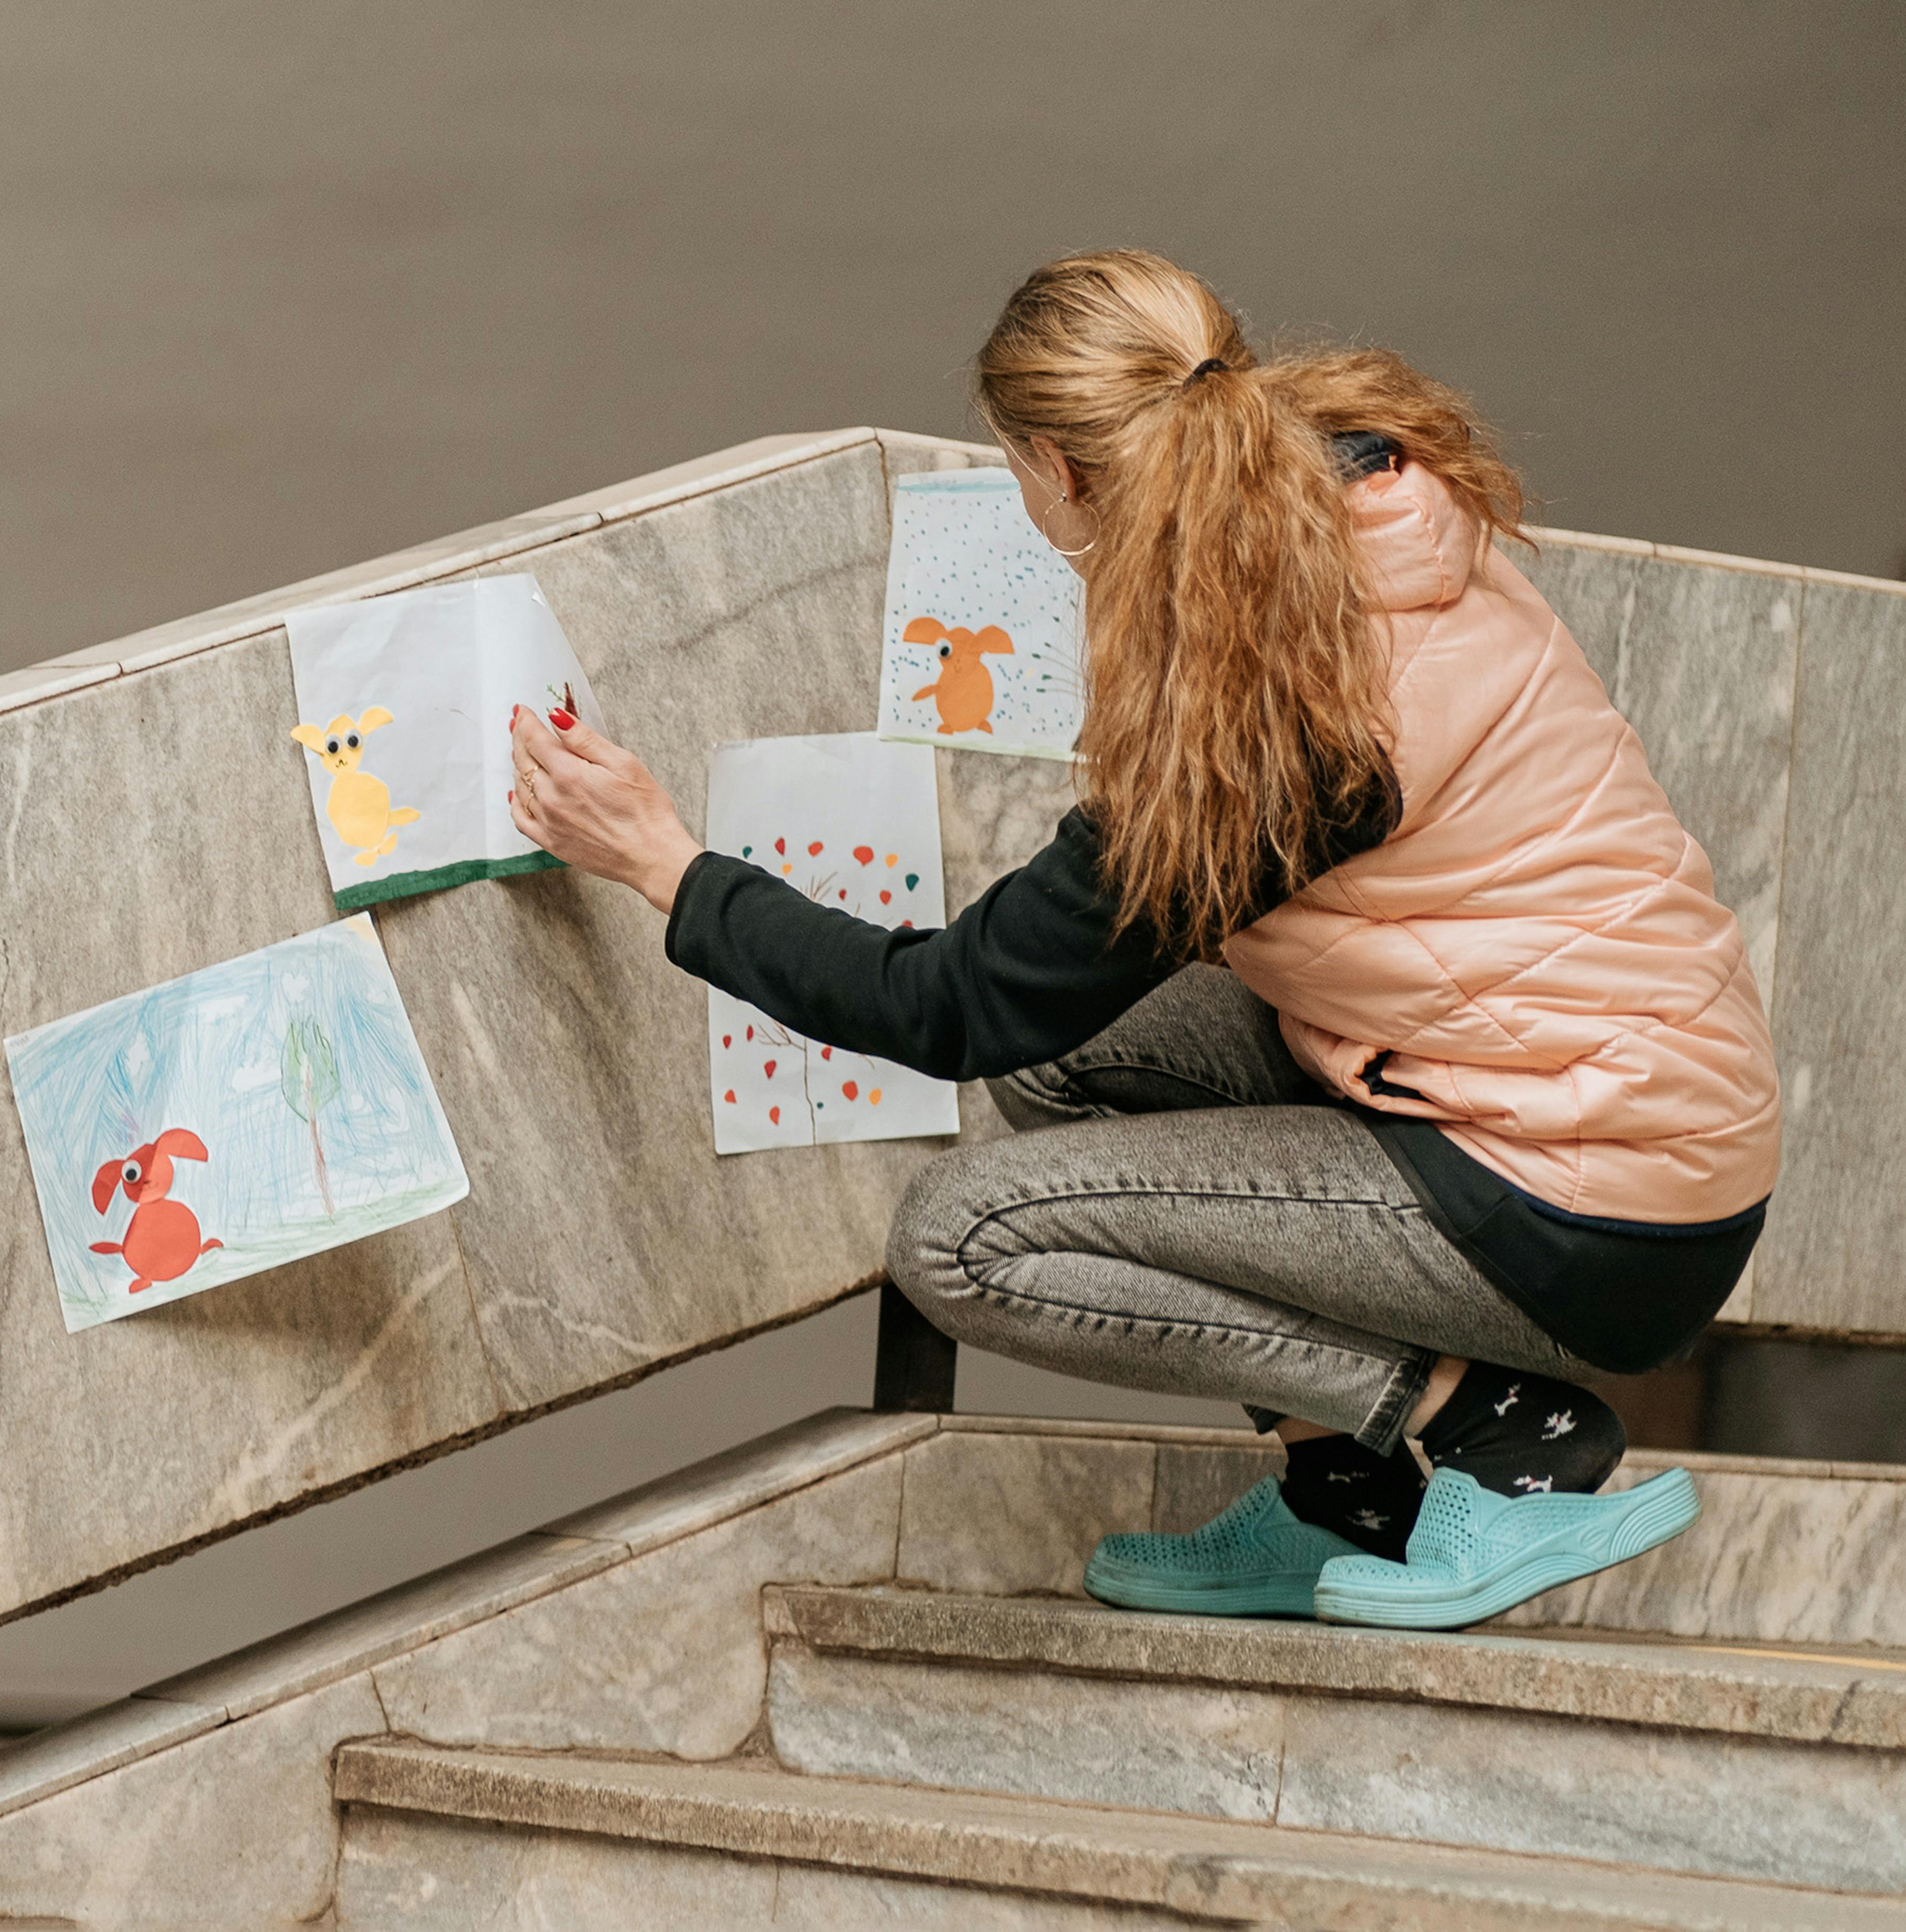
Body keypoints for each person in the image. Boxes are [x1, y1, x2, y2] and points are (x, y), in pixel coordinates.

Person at [501, 249, 1778, 1629]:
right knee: (1071, 1061)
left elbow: (949, 1004)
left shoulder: (1283, 720)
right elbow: (1041, 1005)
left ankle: (1495, 1429)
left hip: (1589, 1201)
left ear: (1055, 473)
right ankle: (1340, 1490)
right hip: (1597, 1111)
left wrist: (663, 862)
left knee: (965, 1239)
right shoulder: (1336, 498)